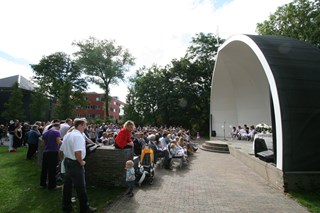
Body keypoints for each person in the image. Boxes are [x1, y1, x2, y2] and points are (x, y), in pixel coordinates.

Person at [60, 118, 96, 213]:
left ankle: (66, 207)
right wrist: (81, 162)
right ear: (81, 125)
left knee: (67, 186)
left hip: (67, 161)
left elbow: (61, 150)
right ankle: (85, 208)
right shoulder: (78, 136)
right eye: (85, 125)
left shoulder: (68, 134)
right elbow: (77, 152)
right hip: (75, 163)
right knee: (81, 187)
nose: (86, 126)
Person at [40, 122, 62, 189]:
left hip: (46, 152)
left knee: (44, 169)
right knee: (52, 169)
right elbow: (58, 142)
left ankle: (43, 183)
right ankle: (52, 185)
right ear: (58, 127)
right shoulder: (56, 132)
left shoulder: (45, 133)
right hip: (53, 152)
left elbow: (42, 144)